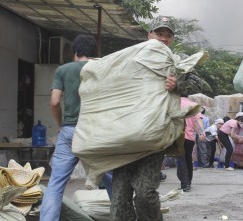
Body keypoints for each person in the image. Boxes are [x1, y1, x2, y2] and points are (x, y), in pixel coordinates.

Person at [110, 16, 206, 220]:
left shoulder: (177, 61)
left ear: (172, 39)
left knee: (145, 193)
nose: (163, 38)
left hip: (156, 133)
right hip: (125, 133)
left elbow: (198, 83)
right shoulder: (131, 57)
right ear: (149, 35)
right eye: (159, 33)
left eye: (167, 35)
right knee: (120, 198)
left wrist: (178, 85)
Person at [40, 34, 112, 220]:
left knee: (55, 183)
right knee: (112, 178)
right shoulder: (102, 69)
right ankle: (122, 215)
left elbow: (55, 102)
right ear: (94, 52)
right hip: (95, 132)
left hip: (69, 130)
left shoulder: (63, 70)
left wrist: (60, 125)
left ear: (75, 51)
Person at [176, 98, 204, 192]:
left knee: (181, 160)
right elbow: (198, 119)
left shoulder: (175, 103)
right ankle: (188, 182)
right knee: (188, 159)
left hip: (178, 137)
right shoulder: (193, 104)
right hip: (190, 138)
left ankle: (184, 184)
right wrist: (202, 132)